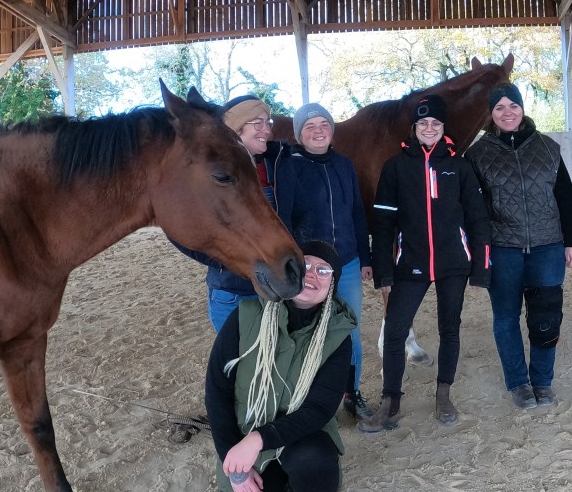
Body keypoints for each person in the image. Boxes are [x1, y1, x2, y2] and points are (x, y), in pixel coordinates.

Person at [205, 239, 356, 492]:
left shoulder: (338, 334)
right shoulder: (246, 316)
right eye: (305, 266)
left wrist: (259, 440)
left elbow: (318, 411)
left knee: (311, 457)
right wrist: (233, 463)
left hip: (300, 439)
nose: (312, 275)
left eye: (324, 270)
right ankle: (282, 486)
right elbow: (216, 390)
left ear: (332, 283)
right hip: (245, 444)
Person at [359, 94, 491, 432]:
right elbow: (383, 225)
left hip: (453, 264)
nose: (429, 128)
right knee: (395, 331)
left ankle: (443, 393)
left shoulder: (459, 166)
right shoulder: (396, 167)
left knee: (450, 329)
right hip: (410, 264)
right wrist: (384, 271)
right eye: (423, 123)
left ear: (443, 128)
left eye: (435, 123)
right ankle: (391, 401)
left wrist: (481, 267)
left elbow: (478, 219)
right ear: (414, 129)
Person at [464, 83, 572, 410]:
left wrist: (571, 242)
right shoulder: (477, 154)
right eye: (499, 107)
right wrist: (480, 249)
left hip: (547, 245)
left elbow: (566, 199)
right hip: (503, 248)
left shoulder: (548, 147)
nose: (507, 113)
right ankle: (518, 383)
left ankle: (542, 381)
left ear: (522, 108)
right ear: (491, 114)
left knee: (546, 316)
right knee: (506, 317)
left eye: (512, 106)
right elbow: (473, 209)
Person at [173, 94, 297, 332]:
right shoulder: (210, 176)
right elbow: (180, 231)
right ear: (236, 128)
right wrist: (222, 260)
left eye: (267, 122)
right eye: (256, 123)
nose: (266, 130)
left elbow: (299, 213)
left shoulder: (278, 163)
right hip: (231, 290)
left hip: (277, 287)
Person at [289, 102, 373, 419]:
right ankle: (309, 400)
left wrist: (365, 258)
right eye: (310, 126)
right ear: (299, 134)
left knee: (348, 330)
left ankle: (352, 393)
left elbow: (356, 214)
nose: (318, 130)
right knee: (311, 332)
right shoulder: (291, 167)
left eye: (324, 123)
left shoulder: (344, 165)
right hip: (310, 266)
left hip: (348, 263)